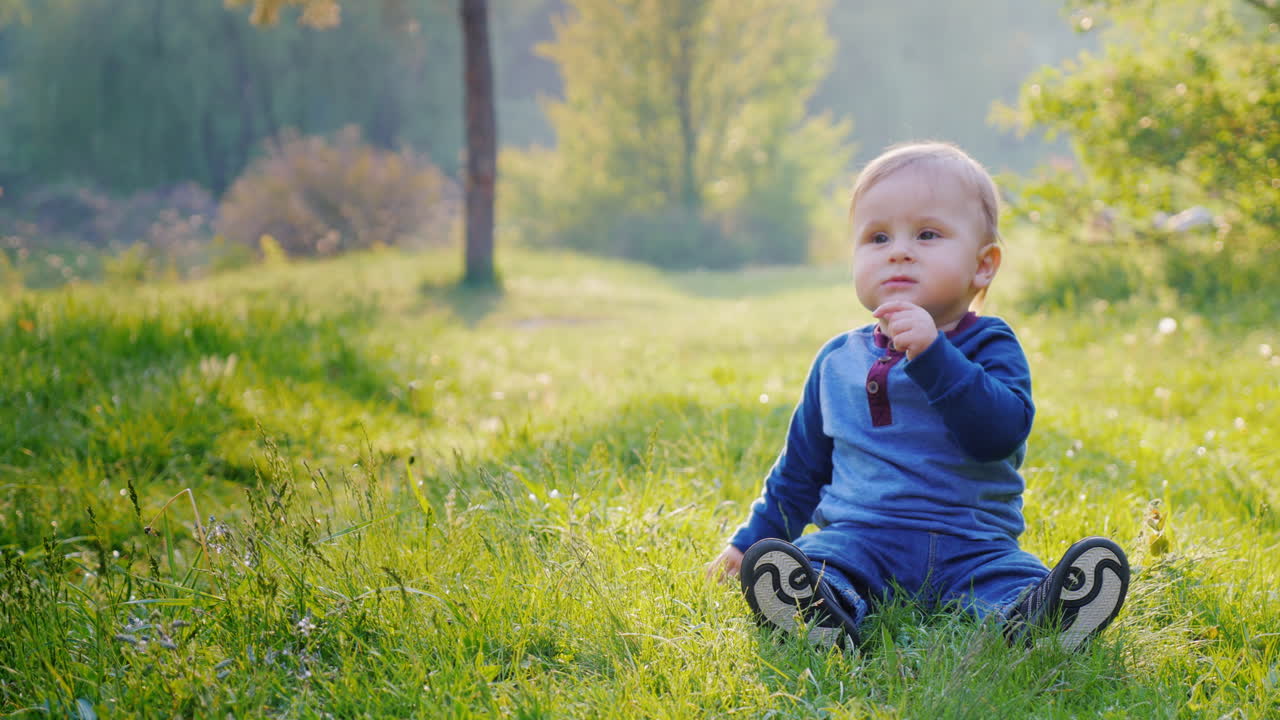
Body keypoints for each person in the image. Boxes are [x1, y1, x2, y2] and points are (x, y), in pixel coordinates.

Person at [706, 141, 1129, 651]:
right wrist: (748, 542)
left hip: (971, 541)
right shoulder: (838, 361)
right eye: (877, 236)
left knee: (1009, 578)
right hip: (862, 537)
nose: (898, 250)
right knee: (823, 559)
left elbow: (998, 434)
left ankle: (1037, 618)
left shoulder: (989, 344)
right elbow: (800, 471)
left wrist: (933, 355)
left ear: (983, 266)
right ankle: (819, 608)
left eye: (928, 234)